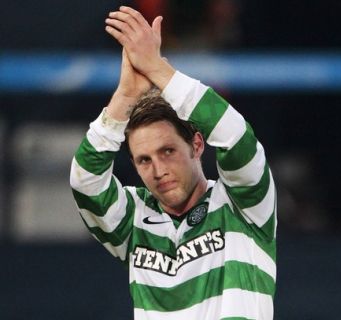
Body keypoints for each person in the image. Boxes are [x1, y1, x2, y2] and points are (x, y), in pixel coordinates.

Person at [70, 6, 277, 320]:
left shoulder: (244, 205)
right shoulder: (133, 218)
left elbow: (236, 138)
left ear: (196, 144)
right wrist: (126, 96)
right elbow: (85, 183)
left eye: (167, 151)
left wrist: (157, 70)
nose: (158, 170)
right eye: (143, 160)